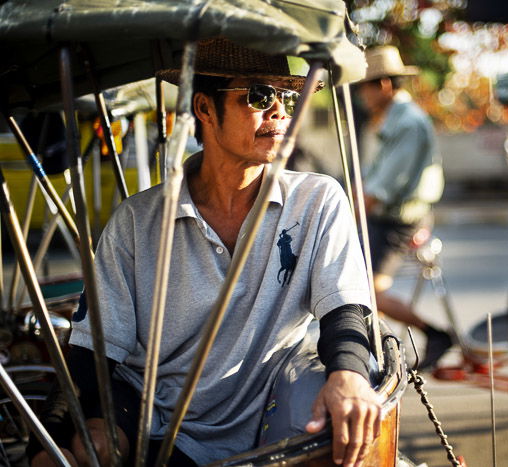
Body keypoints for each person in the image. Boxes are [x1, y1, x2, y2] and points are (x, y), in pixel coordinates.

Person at [29, 38, 380, 467]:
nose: (279, 112)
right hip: (147, 413)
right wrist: (80, 427)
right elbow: (94, 353)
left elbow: (344, 308)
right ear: (205, 109)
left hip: (265, 410)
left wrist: (348, 375)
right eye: (260, 96)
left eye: (287, 98)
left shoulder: (316, 200)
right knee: (84, 451)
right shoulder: (137, 221)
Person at [356, 46, 452, 370]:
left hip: (399, 221)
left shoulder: (407, 123)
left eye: (364, 87)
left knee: (365, 293)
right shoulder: (393, 119)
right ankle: (379, 349)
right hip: (389, 217)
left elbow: (381, 188)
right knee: (359, 289)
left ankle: (434, 334)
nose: (361, 95)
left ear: (383, 85)